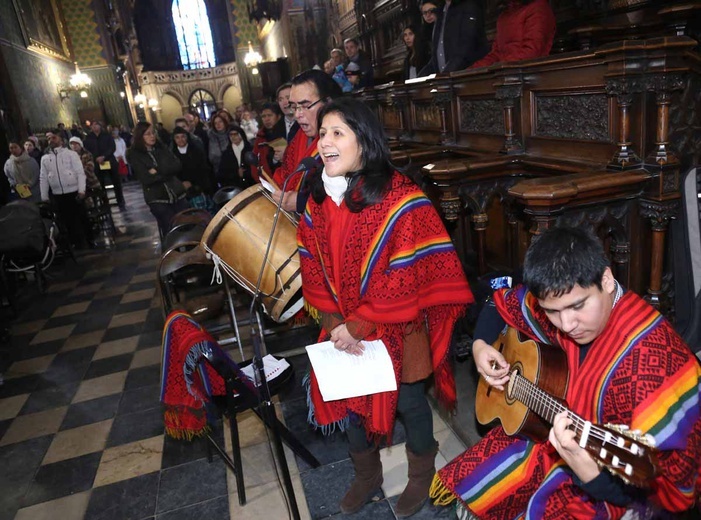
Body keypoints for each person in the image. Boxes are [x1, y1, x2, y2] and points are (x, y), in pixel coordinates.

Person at [431, 226, 701, 519]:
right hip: (565, 432)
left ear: (607, 280)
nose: (566, 324)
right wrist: (480, 346)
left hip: (623, 491)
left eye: (577, 306)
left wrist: (588, 472)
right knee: (473, 474)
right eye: (552, 311)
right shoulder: (561, 304)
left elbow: (670, 498)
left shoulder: (653, 368)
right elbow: (500, 304)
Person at [298, 97, 474, 517]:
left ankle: (420, 473)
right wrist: (337, 321)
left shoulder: (401, 196)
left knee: (411, 404)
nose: (324, 142)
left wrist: (361, 324)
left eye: (337, 133)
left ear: (365, 140)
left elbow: (406, 271)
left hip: (398, 323)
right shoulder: (319, 196)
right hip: (343, 323)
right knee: (352, 402)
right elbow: (310, 259)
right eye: (322, 133)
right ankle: (367, 475)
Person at [272, 69, 342, 213]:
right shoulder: (299, 136)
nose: (298, 114)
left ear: (328, 102)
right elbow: (285, 173)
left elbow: (352, 196)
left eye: (305, 106)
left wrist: (302, 203)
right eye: (294, 107)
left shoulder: (349, 140)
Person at [126, 122, 188, 238]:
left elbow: (177, 165)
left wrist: (157, 170)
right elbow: (146, 178)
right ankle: (171, 252)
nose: (152, 136)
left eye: (153, 133)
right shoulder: (134, 154)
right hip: (157, 197)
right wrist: (167, 171)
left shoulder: (161, 148)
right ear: (140, 136)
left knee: (186, 224)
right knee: (169, 227)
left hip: (176, 192)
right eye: (147, 134)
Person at [470, 0, 556, 69]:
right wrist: (473, 69)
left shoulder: (538, 7)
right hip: (505, 74)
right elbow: (496, 53)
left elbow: (532, 51)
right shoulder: (504, 16)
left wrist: (498, 66)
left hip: (530, 76)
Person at [40, 130, 88, 248]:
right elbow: (43, 177)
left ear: (61, 140)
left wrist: (81, 190)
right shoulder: (45, 158)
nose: (51, 140)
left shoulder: (71, 154)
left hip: (73, 191)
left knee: (80, 218)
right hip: (57, 193)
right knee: (65, 220)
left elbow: (80, 173)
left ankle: (87, 241)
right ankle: (73, 243)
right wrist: (44, 196)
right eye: (49, 139)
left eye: (54, 138)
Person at [419, 0, 489, 75]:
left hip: (468, 77)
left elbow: (467, 47)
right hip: (445, 79)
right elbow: (437, 54)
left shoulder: (469, 5)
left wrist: (446, 73)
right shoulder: (441, 11)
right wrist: (419, 78)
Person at [83, 121, 126, 208]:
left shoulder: (107, 135)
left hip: (109, 160)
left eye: (96, 125)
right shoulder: (88, 138)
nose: (94, 127)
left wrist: (104, 156)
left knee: (116, 181)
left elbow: (112, 147)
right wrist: (96, 157)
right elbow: (87, 149)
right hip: (97, 162)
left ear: (100, 126)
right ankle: (104, 201)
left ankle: (120, 199)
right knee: (100, 183)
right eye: (93, 125)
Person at [171, 126, 214, 211]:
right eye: (177, 137)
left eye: (183, 136)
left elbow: (203, 170)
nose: (181, 140)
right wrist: (181, 184)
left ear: (187, 137)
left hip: (198, 189)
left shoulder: (196, 151)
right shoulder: (171, 154)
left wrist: (192, 183)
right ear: (174, 139)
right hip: (181, 192)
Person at [252, 102, 287, 181]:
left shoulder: (287, 134)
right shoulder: (260, 137)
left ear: (278, 117)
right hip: (267, 181)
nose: (266, 119)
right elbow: (254, 163)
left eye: (270, 115)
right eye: (263, 116)